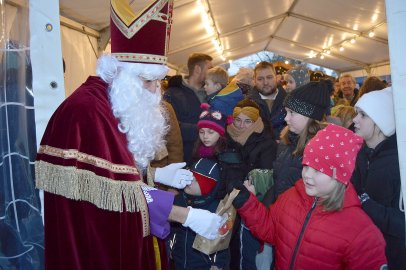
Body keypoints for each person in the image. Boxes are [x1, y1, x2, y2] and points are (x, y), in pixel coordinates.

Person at [35, 1, 222, 269]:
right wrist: (186, 215)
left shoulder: (114, 103)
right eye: (147, 80)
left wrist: (155, 175)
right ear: (120, 73)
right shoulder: (86, 112)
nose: (155, 90)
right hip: (97, 246)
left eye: (158, 81)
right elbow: (117, 198)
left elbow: (116, 177)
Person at [230, 124, 388, 269]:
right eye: (306, 166)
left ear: (340, 175)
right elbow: (272, 230)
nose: (307, 176)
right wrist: (247, 203)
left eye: (318, 170)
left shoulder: (361, 232)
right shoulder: (291, 197)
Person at [352, 87, 406, 270]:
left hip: (393, 257)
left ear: (380, 122)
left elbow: (402, 223)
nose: (354, 120)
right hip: (365, 251)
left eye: (363, 115)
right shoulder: (362, 154)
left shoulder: (399, 164)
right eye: (356, 114)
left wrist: (365, 203)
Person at [171, 107, 229, 270]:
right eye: (202, 132)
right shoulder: (199, 158)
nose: (205, 137)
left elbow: (220, 236)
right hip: (182, 258)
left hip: (201, 262)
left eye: (210, 132)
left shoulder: (216, 166)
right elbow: (176, 230)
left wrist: (217, 263)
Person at [225, 98, 277, 270]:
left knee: (248, 253)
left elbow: (264, 179)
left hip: (251, 203)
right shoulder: (225, 137)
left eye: (247, 121)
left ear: (256, 122)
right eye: (238, 120)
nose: (241, 126)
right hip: (227, 201)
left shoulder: (266, 143)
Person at [271, 80, 331, 203]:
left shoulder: (321, 151)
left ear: (310, 116)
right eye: (286, 112)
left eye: (292, 112)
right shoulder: (287, 140)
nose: (286, 118)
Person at [164, 53, 213, 166]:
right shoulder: (173, 93)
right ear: (197, 69)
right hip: (184, 159)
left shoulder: (210, 93)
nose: (212, 72)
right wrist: (203, 130)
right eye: (209, 68)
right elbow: (169, 126)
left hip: (207, 158)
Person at [248, 61, 287, 139]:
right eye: (260, 79)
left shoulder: (288, 100)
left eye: (269, 77)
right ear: (254, 81)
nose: (265, 82)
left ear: (276, 77)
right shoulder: (248, 103)